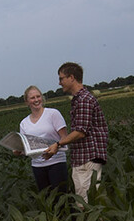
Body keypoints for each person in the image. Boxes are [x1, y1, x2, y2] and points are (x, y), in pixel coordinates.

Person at [43, 62, 109, 205]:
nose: (59, 83)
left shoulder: (84, 100)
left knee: (87, 202)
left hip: (87, 157)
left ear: (71, 77)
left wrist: (58, 144)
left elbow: (80, 132)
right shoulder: (79, 99)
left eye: (61, 78)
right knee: (89, 199)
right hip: (83, 157)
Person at [18, 85, 69, 194]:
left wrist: (56, 146)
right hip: (37, 166)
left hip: (57, 162)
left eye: (38, 96)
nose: (36, 100)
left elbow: (65, 137)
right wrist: (19, 150)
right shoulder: (24, 123)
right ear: (27, 102)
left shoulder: (53, 114)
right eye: (32, 98)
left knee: (61, 197)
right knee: (46, 199)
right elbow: (27, 147)